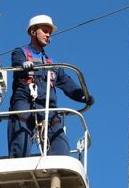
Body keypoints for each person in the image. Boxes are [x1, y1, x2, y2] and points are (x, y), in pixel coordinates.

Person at [8, 15, 93, 158]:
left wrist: (83, 96)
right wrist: (23, 65)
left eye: (50, 33)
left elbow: (66, 83)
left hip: (48, 107)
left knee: (61, 148)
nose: (48, 35)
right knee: (20, 146)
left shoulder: (52, 63)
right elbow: (17, 61)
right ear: (33, 32)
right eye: (45, 31)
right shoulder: (21, 53)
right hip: (25, 103)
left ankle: (57, 174)